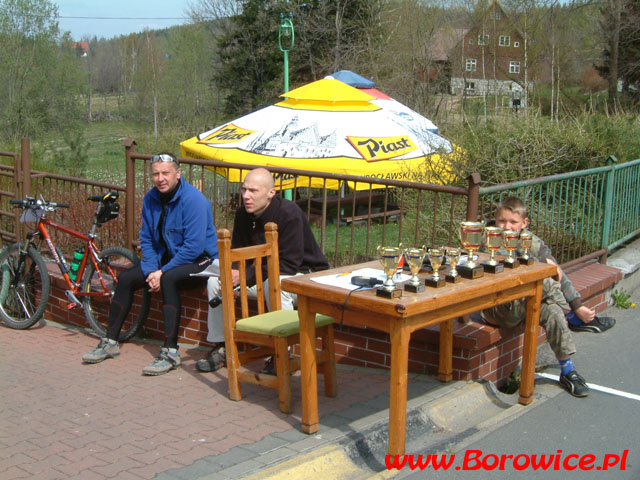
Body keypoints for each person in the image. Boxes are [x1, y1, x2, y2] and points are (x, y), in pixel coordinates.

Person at [83, 153, 219, 375]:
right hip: (168, 261)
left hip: (200, 261)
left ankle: (171, 352)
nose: (160, 178)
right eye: (156, 174)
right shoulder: (150, 199)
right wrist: (152, 270)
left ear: (178, 174)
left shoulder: (194, 200)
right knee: (126, 278)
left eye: (165, 173)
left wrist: (161, 272)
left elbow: (193, 248)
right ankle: (110, 341)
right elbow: (146, 239)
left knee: (169, 279)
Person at [197, 167, 329, 374]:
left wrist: (244, 277)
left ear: (271, 193)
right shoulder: (243, 214)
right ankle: (222, 346)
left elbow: (288, 264)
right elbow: (237, 252)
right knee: (215, 281)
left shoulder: (289, 214)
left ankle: (281, 353)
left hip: (303, 276)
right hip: (261, 274)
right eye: (243, 189)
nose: (246, 196)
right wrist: (232, 276)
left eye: (253, 191)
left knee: (276, 283)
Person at [478, 197, 614, 397]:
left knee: (551, 309)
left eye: (513, 222)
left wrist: (554, 274)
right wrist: (543, 268)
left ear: (524, 223)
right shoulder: (489, 240)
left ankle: (568, 371)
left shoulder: (531, 241)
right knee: (545, 279)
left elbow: (558, 271)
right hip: (497, 307)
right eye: (501, 221)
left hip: (525, 302)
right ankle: (574, 316)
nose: (506, 226)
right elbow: (505, 269)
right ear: (495, 220)